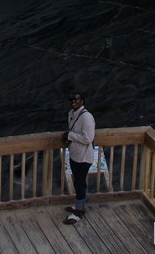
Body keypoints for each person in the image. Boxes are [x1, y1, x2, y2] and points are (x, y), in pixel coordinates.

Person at [60, 91, 96, 225]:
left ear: (82, 101)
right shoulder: (72, 114)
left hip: (84, 157)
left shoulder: (86, 117)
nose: (73, 101)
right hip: (75, 155)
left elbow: (88, 138)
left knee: (79, 183)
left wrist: (70, 136)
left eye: (76, 99)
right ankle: (80, 205)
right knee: (79, 182)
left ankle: (79, 212)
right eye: (71, 99)